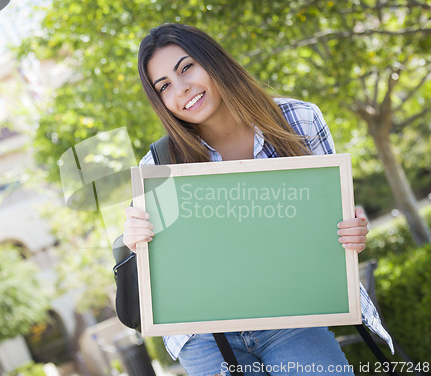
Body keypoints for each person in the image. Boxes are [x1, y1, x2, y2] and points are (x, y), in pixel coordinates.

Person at [122, 23, 392, 376]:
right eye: (164, 86)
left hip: (289, 312)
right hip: (206, 333)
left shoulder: (300, 121)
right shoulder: (158, 166)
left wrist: (350, 232)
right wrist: (136, 242)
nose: (182, 88)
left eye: (186, 67)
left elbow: (330, 230)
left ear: (213, 60)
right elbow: (167, 271)